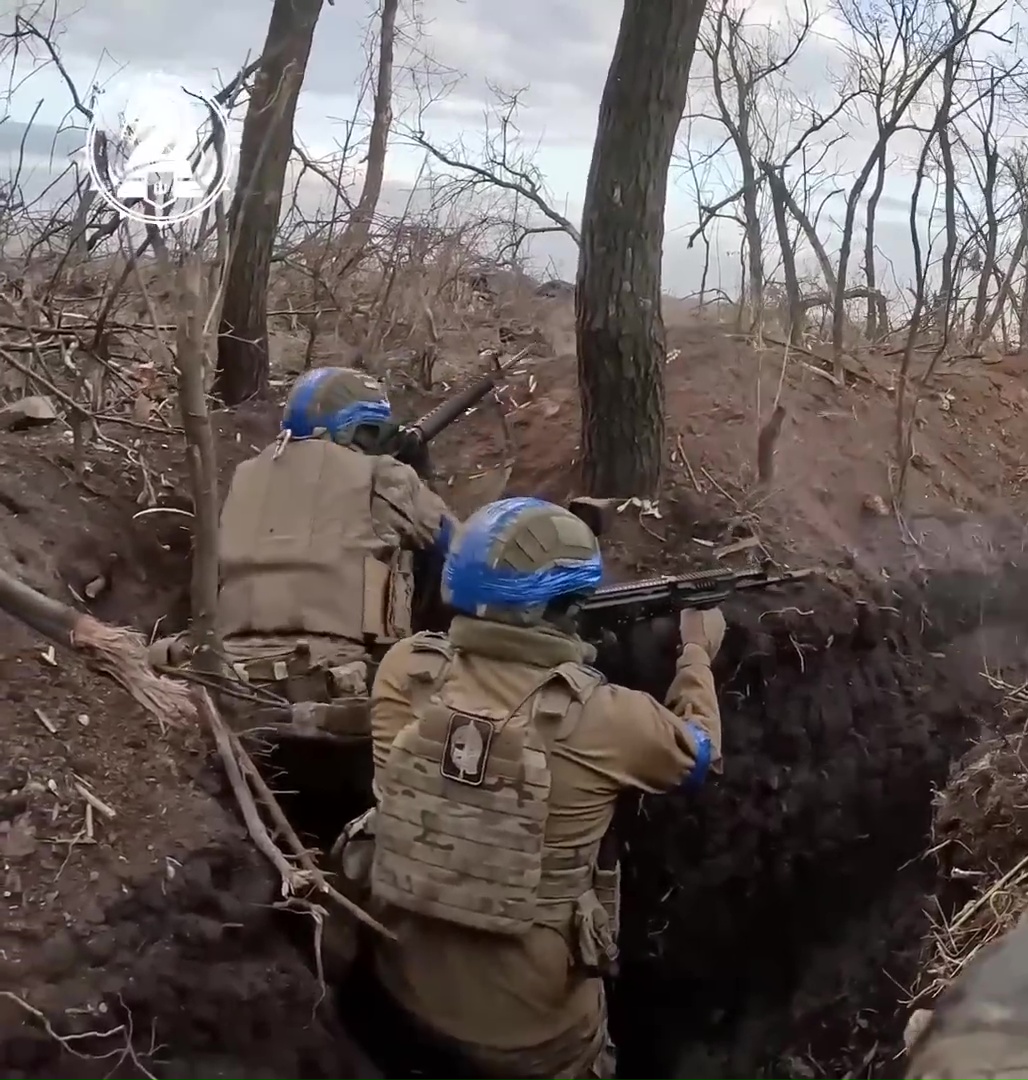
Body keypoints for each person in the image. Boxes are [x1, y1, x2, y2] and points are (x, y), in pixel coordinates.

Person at [334, 495, 726, 1080]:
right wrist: (696, 654)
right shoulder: (611, 719)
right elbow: (700, 756)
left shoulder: (404, 669)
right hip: (537, 1037)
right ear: (563, 605)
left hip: (403, 997)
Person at [150, 366, 455, 732]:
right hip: (338, 683)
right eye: (377, 433)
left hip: (227, 673)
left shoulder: (244, 475)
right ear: (356, 430)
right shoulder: (385, 475)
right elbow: (463, 560)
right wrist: (422, 478)